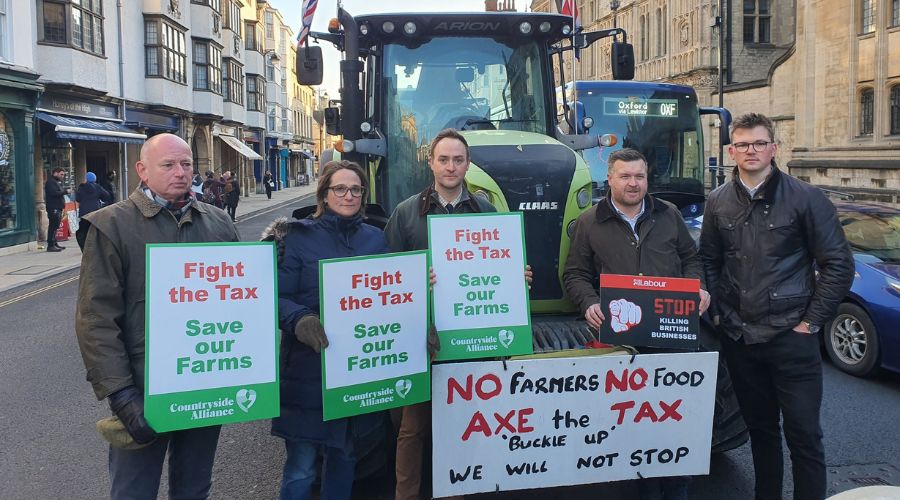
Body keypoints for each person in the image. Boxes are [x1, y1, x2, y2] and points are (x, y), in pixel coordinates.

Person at [74, 133, 239, 500]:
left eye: (186, 164)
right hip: (143, 389)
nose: (180, 173)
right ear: (142, 171)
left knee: (194, 489)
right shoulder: (111, 225)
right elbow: (95, 319)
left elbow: (239, 301)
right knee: (134, 492)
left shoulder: (219, 223)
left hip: (203, 383)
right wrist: (121, 394)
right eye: (168, 165)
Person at [699, 113, 854, 500]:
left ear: (774, 148)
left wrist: (811, 323)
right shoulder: (717, 202)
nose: (751, 151)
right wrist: (718, 312)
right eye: (743, 145)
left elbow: (838, 263)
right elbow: (708, 262)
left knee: (804, 435)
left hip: (792, 337)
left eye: (759, 143)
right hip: (741, 338)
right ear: (731, 151)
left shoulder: (805, 198)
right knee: (761, 433)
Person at [563, 148, 709, 500]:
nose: (633, 183)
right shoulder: (589, 222)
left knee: (677, 419)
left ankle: (677, 489)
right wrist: (589, 303)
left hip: (671, 336)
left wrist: (700, 288)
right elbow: (575, 274)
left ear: (647, 179)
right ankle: (643, 487)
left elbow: (691, 259)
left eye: (639, 176)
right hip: (623, 342)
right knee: (635, 420)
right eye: (625, 176)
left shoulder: (669, 215)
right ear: (610, 179)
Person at [265, 160, 389, 500]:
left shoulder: (376, 239)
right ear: (324, 193)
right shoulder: (297, 236)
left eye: (355, 189)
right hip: (308, 368)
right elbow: (276, 297)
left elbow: (393, 296)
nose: (348, 196)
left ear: (363, 195)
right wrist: (300, 319)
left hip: (354, 369)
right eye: (340, 189)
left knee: (345, 456)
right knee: (302, 467)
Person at [384, 128, 496, 500]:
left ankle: (461, 490)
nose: (451, 167)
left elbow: (498, 264)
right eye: (444, 159)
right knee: (412, 428)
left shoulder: (486, 210)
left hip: (469, 338)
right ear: (430, 163)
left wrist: (516, 276)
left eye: (458, 160)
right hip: (421, 335)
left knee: (466, 423)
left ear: (468, 164)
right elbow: (387, 277)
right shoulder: (405, 213)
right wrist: (415, 280)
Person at [44, 167, 69, 252]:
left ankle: (54, 242)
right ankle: (50, 245)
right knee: (53, 225)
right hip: (53, 207)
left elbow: (59, 191)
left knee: (56, 226)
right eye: (61, 174)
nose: (62, 176)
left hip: (58, 207)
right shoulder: (50, 182)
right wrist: (66, 192)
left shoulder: (56, 182)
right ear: (55, 173)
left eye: (63, 175)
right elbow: (54, 193)